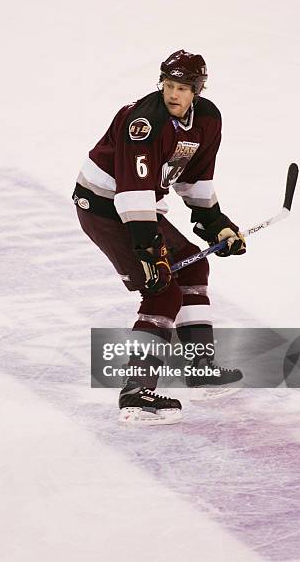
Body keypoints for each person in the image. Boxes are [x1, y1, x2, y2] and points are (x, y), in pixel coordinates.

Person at [73, 49, 246, 425]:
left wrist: (217, 224)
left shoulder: (207, 120)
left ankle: (202, 370)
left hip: (139, 209)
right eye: (169, 85)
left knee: (194, 269)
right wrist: (151, 253)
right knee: (162, 289)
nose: (173, 94)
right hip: (104, 209)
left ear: (197, 90)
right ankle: (135, 393)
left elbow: (193, 180)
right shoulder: (144, 122)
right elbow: (132, 194)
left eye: (183, 87)